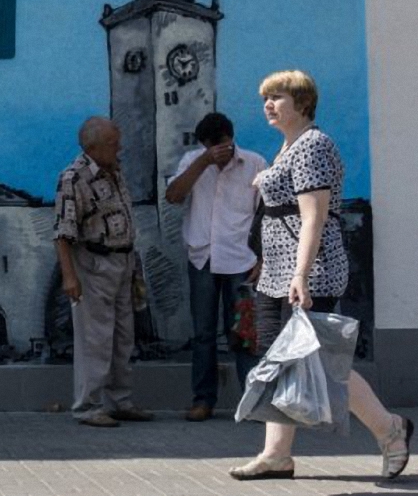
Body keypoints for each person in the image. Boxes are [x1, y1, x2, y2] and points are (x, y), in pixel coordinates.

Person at [230, 70, 412, 481]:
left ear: (302, 104)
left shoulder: (313, 146)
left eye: (277, 97)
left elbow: (313, 217)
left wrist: (301, 274)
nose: (268, 105)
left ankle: (390, 428)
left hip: (306, 272)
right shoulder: (288, 146)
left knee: (324, 360)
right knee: (280, 361)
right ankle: (277, 454)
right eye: (266, 98)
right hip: (277, 272)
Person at [53, 116, 155, 427]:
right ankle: (88, 405)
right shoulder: (74, 178)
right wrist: (69, 277)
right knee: (95, 338)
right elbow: (63, 232)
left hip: (123, 263)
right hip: (94, 263)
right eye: (113, 143)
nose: (119, 148)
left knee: (123, 336)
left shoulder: (113, 172)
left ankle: (119, 400)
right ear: (93, 146)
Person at [166, 112, 266, 421]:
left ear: (229, 139)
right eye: (208, 147)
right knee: (203, 334)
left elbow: (268, 215)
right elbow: (174, 196)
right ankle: (203, 400)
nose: (216, 152)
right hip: (203, 258)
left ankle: (252, 403)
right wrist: (202, 163)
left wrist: (263, 259)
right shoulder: (193, 162)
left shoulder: (255, 164)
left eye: (219, 146)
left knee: (244, 333)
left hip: (242, 261)